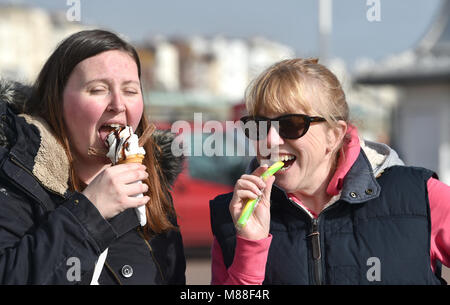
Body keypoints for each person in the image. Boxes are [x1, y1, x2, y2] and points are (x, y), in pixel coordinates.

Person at [209, 58, 450, 285]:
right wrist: (250, 246)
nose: (271, 140)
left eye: (291, 125)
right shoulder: (232, 220)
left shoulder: (419, 197)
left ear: (334, 135)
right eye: (259, 126)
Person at [0, 29, 185, 284]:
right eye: (98, 89)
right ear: (56, 101)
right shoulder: (13, 180)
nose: (118, 104)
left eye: (131, 91)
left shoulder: (152, 190)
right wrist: (90, 213)